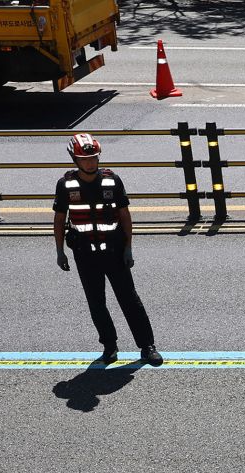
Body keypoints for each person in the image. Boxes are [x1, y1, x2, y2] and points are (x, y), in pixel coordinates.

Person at [52, 133, 161, 366]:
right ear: (75, 159)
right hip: (84, 254)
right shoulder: (65, 185)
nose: (90, 162)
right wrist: (60, 251)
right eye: (85, 158)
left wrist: (129, 247)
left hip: (114, 250)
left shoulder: (112, 180)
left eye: (93, 157)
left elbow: (124, 215)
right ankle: (110, 347)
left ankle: (147, 346)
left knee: (129, 299)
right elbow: (60, 220)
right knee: (96, 302)